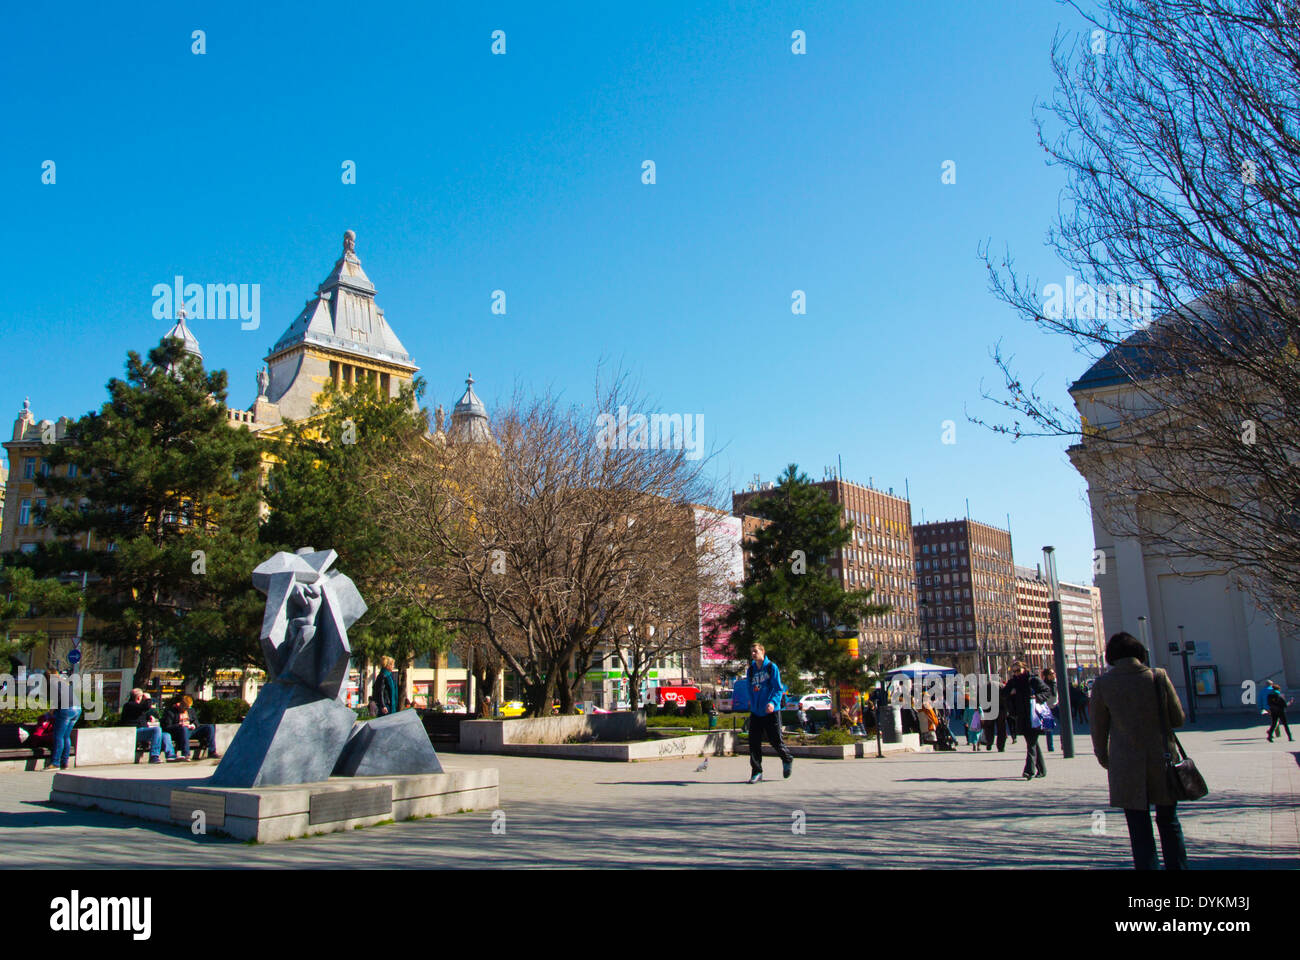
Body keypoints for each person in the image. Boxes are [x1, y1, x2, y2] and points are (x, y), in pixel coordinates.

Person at [1090, 631, 1189, 870]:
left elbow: (1098, 728)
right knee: (1169, 822)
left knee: (1138, 828)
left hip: (1125, 764)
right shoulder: (1157, 677)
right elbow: (1178, 719)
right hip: (1162, 760)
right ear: (1140, 653)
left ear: (1111, 656)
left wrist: (1104, 758)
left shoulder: (1103, 684)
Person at [745, 642, 793, 783]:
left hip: (771, 711)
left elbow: (778, 688)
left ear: (762, 652)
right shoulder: (751, 670)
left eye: (756, 651)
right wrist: (752, 703)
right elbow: (749, 687)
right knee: (754, 742)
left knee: (775, 740)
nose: (753, 654)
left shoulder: (772, 668)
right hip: (756, 712)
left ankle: (787, 758)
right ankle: (757, 771)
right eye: (752, 652)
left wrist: (772, 703)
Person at [1005, 661, 1051, 780]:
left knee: (1031, 743)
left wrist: (1037, 697)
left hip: (1034, 715)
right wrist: (1010, 693)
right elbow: (1003, 693)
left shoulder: (1033, 680)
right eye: (1014, 671)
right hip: (1021, 716)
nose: (1016, 673)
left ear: (1024, 669)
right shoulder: (1013, 682)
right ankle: (1042, 770)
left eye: (1018, 670)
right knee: (1032, 743)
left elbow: (1047, 691)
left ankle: (1029, 770)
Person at [119, 688, 178, 763]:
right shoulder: (129, 705)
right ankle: (154, 756)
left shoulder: (138, 707)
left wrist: (150, 716)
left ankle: (170, 755)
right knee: (156, 729)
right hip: (134, 732)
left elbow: (143, 712)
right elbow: (145, 707)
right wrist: (148, 698)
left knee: (166, 735)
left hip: (143, 731)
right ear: (138, 697)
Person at [163, 696, 219, 760]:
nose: (187, 709)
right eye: (185, 708)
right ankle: (186, 754)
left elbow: (196, 722)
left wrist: (193, 725)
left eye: (188, 708)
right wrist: (180, 725)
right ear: (181, 704)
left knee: (209, 727)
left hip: (191, 730)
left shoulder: (191, 710)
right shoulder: (171, 711)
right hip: (179, 732)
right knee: (184, 729)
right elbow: (167, 726)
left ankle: (212, 751)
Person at [48, 672, 82, 770]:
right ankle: (64, 763)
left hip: (67, 709)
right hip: (77, 709)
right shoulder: (64, 682)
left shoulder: (54, 683)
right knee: (66, 736)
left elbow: (58, 696)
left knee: (58, 736)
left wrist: (52, 709)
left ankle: (55, 763)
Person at [1041, 667, 1059, 752]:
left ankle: (1064, 744)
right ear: (1047, 676)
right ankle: (1050, 747)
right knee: (1048, 728)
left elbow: (1056, 694)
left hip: (1055, 706)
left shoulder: (1055, 683)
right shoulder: (1044, 685)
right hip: (1047, 708)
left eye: (1054, 673)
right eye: (1051, 674)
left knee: (1065, 724)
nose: (1053, 675)